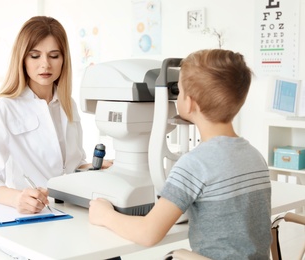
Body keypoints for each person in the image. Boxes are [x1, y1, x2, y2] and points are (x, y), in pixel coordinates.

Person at [89, 49, 272, 259]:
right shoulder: (255, 156)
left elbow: (148, 233)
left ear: (190, 102)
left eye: (180, 90)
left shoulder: (194, 165)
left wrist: (105, 216)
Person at [0, 16, 110, 215]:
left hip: (71, 209)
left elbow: (73, 164)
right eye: (35, 56)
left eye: (54, 56)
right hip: (28, 215)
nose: (45, 64)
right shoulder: (3, 108)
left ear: (64, 60)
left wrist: (96, 167)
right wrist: (17, 199)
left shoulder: (67, 104)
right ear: (22, 59)